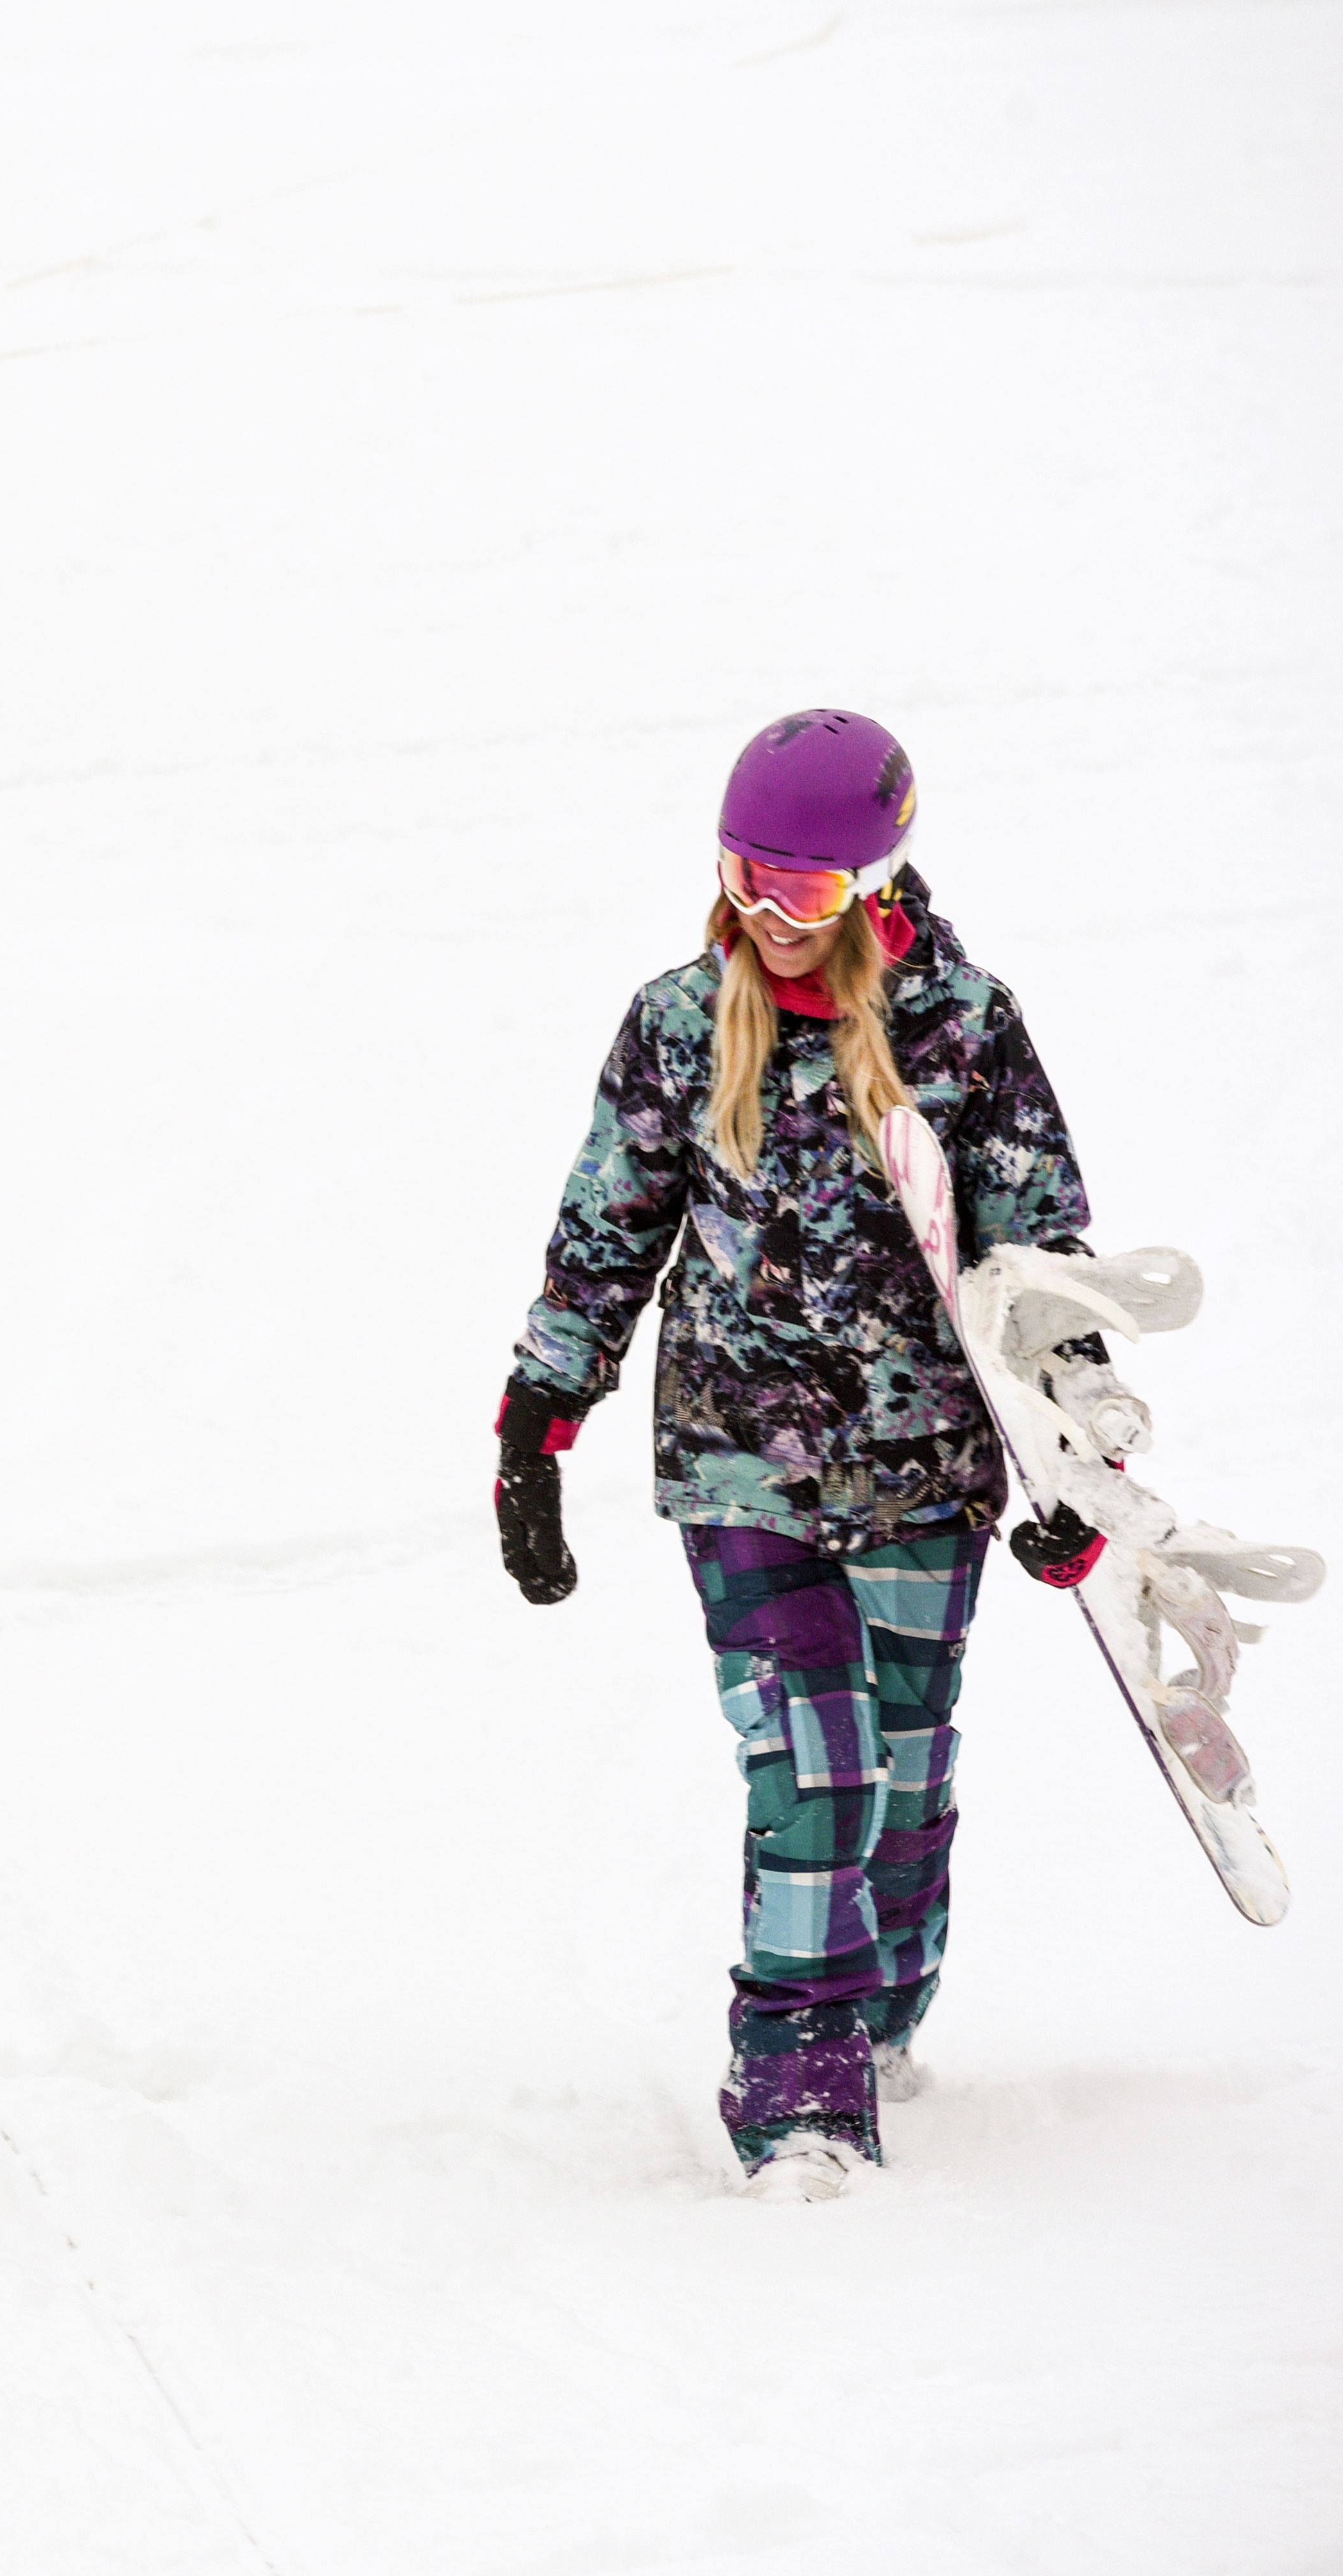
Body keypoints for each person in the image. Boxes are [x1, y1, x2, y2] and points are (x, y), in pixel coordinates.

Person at [494, 709, 1097, 2201]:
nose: (767, 919)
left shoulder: (963, 1027)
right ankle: (797, 2086)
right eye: (745, 879)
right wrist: (535, 1420)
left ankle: (878, 2001)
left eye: (805, 894)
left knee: (896, 1766)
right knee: (812, 1757)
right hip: (737, 1463)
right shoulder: (679, 1023)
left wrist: (1070, 1466)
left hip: (920, 1467)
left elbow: (1038, 1265)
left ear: (876, 887)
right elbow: (603, 1233)